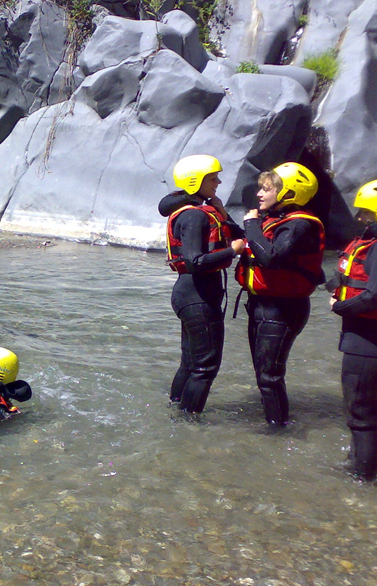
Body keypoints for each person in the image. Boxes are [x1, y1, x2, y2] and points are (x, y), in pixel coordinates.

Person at [235, 162, 325, 426]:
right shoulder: (278, 220)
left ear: (288, 193)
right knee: (263, 373)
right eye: (261, 189)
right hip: (264, 304)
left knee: (269, 376)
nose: (259, 194)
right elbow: (258, 243)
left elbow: (271, 258)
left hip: (283, 309)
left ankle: (278, 431)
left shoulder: (299, 226)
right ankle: (273, 422)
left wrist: (251, 225)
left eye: (267, 189)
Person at [160, 154, 246, 413]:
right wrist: (232, 251)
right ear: (195, 181)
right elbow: (195, 260)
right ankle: (189, 426)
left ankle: (175, 412)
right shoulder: (194, 216)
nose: (218, 181)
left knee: (190, 363)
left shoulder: (199, 211)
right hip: (197, 296)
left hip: (192, 294)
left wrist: (222, 212)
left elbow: (238, 235)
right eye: (213, 178)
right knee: (205, 367)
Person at [328, 180, 377, 479]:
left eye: (365, 212)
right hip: (367, 341)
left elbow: (374, 295)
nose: (359, 217)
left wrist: (339, 307)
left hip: (366, 343)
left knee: (361, 416)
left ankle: (361, 479)